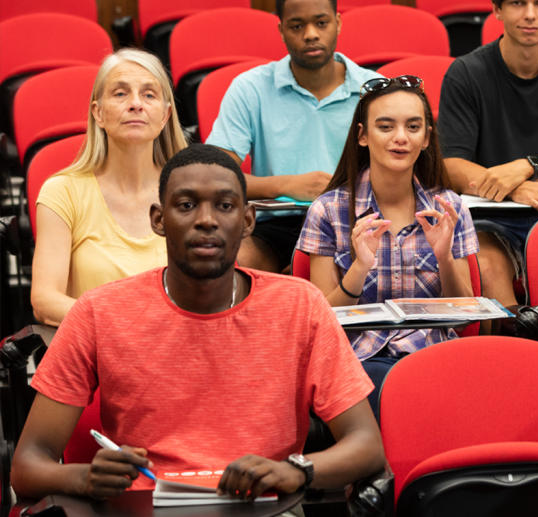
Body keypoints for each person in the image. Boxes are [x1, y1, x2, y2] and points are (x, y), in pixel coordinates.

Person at [12, 144, 384, 501]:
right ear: (159, 219)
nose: (206, 220)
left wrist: (297, 470)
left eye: (224, 206)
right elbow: (27, 465)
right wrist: (84, 477)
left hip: (264, 506)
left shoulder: (300, 305)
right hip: (145, 506)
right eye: (186, 205)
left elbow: (366, 445)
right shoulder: (99, 311)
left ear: (247, 220)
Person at [297, 76, 479, 419]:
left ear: (426, 138)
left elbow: (466, 315)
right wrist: (358, 268)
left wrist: (443, 257)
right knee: (399, 390)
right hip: (359, 359)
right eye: (386, 126)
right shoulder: (329, 210)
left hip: (435, 353)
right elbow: (320, 323)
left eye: (413, 127)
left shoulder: (449, 207)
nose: (400, 138)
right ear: (363, 136)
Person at [438, 0, 538, 308]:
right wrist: (515, 188)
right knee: (486, 266)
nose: (530, 14)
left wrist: (527, 167)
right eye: (517, 3)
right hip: (488, 215)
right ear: (497, 10)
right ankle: (515, 346)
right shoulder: (465, 74)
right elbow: (452, 165)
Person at [206, 0, 382, 273]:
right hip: (276, 225)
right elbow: (214, 175)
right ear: (281, 30)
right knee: (234, 262)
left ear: (338, 22)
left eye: (321, 23)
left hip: (357, 220)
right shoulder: (250, 88)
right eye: (297, 25)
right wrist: (287, 184)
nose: (310, 34)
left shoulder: (373, 89)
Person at [31, 48, 189, 326]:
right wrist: (124, 324)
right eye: (120, 93)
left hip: (177, 346)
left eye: (149, 94)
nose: (136, 104)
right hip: (96, 350)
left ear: (165, 116)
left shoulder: (189, 191)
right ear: (98, 113)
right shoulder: (62, 191)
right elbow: (45, 301)